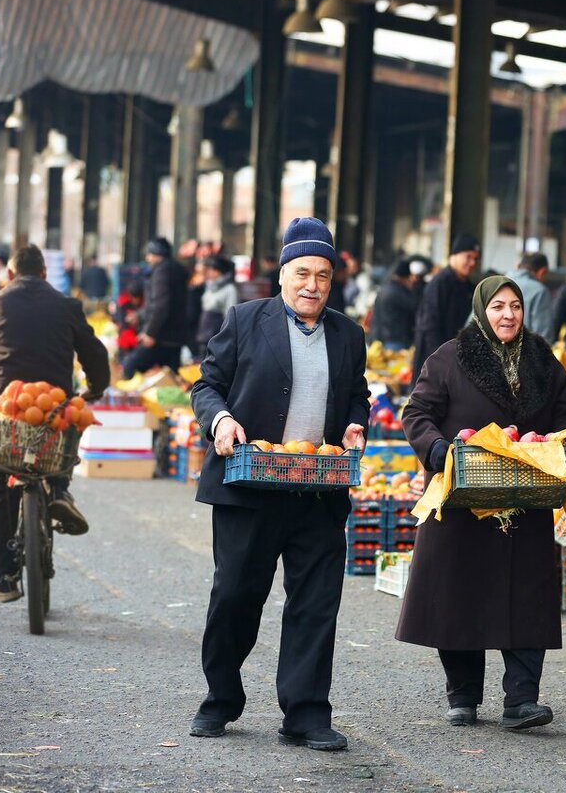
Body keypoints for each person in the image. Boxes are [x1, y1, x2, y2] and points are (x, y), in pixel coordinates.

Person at [188, 217, 369, 751]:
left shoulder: (348, 334)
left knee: (316, 603)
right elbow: (207, 385)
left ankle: (308, 713)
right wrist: (220, 421)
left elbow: (357, 394)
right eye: (302, 273)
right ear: (282, 275)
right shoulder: (245, 320)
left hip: (317, 487)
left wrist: (356, 422)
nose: (312, 285)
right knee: (236, 595)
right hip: (249, 485)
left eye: (322, 276)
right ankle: (220, 700)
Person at [398, 275, 566, 731]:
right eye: (498, 306)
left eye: (515, 306)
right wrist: (440, 452)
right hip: (464, 496)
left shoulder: (542, 359)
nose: (508, 315)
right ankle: (463, 695)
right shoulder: (450, 356)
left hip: (526, 494)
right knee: (460, 594)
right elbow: (417, 414)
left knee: (526, 596)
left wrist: (560, 440)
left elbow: (565, 413)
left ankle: (522, 700)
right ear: (483, 310)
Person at [0, 245, 110, 602]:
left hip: (7, 404)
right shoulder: (67, 305)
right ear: (43, 274)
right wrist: (94, 388)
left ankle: (4, 581)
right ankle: (58, 489)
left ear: (9, 274)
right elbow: (94, 352)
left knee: (1, 485)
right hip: (54, 404)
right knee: (59, 444)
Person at [411, 234, 480, 386]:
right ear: (454, 254)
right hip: (436, 362)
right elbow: (430, 326)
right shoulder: (439, 283)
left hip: (457, 360)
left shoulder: (468, 286)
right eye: (468, 257)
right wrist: (440, 360)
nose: (472, 263)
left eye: (475, 258)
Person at [122, 237, 188, 377]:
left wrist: (150, 333)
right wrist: (139, 315)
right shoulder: (177, 269)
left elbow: (160, 305)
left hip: (161, 335)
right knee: (169, 377)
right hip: (175, 334)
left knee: (130, 368)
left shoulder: (161, 271)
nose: (147, 258)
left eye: (149, 254)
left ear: (157, 254)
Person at [370, 260, 418, 350]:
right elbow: (414, 307)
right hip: (395, 340)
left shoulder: (384, 289)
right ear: (405, 277)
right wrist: (412, 289)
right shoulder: (400, 292)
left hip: (380, 338)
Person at [196, 256, 239, 358]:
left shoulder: (230, 289)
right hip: (203, 336)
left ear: (218, 271)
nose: (208, 273)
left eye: (211, 269)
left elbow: (230, 316)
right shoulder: (210, 286)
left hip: (215, 337)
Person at [507, 252, 553, 338]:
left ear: (518, 266)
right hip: (524, 350)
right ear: (542, 272)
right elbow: (543, 335)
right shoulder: (539, 291)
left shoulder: (494, 285)